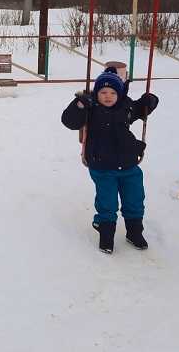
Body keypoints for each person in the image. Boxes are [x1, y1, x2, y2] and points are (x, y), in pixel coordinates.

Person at [61, 67, 158, 254]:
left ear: (119, 94)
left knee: (135, 200)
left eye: (113, 92)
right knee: (108, 203)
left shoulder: (126, 106)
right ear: (96, 93)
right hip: (102, 166)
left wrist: (150, 102)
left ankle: (135, 232)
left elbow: (141, 109)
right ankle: (106, 235)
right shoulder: (91, 109)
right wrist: (79, 104)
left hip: (129, 163)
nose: (108, 96)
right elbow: (69, 121)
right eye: (103, 92)